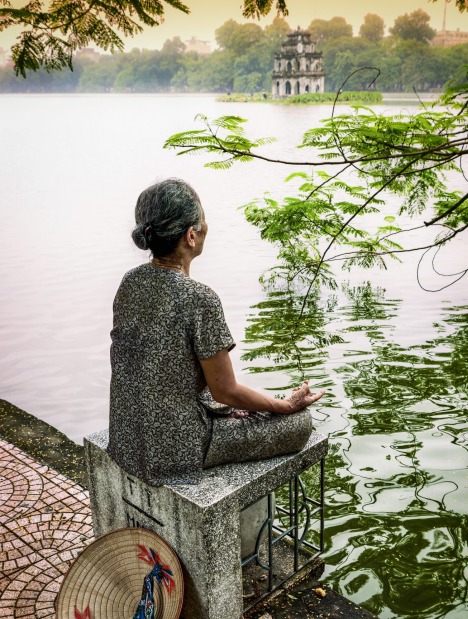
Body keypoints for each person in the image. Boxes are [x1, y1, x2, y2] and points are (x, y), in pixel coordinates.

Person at [107, 178, 325, 486]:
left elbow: (162, 371)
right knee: (300, 423)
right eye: (202, 222)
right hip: (176, 450)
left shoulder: (129, 282)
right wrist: (285, 406)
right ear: (191, 236)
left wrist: (224, 406)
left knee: (229, 403)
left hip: (127, 438)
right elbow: (226, 391)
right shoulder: (199, 298)